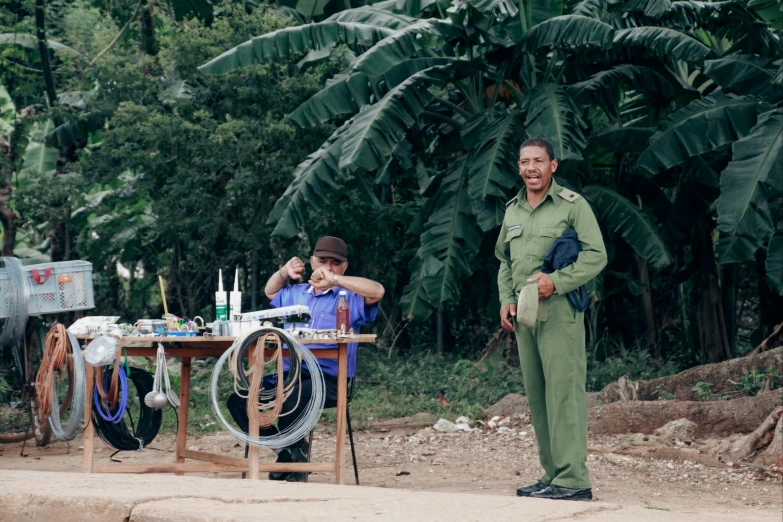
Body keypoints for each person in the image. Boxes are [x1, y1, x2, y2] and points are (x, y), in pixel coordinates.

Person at [495, 138, 607, 501]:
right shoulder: (512, 210)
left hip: (560, 311)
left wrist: (555, 282)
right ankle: (553, 474)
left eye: (538, 161)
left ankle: (574, 480)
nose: (531, 168)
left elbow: (596, 256)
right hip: (525, 314)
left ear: (553, 166)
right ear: (519, 167)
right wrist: (506, 299)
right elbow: (504, 261)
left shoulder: (573, 206)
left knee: (564, 394)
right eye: (525, 161)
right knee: (539, 396)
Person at [227, 236, 384, 481]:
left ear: (343, 267)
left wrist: (334, 280)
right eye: (322, 260)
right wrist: (284, 272)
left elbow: (378, 291)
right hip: (288, 375)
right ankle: (288, 452)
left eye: (335, 263)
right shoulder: (297, 293)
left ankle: (294, 462)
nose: (327, 267)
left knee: (291, 396)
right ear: (312, 261)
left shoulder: (348, 296)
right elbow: (270, 290)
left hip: (330, 379)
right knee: (239, 399)